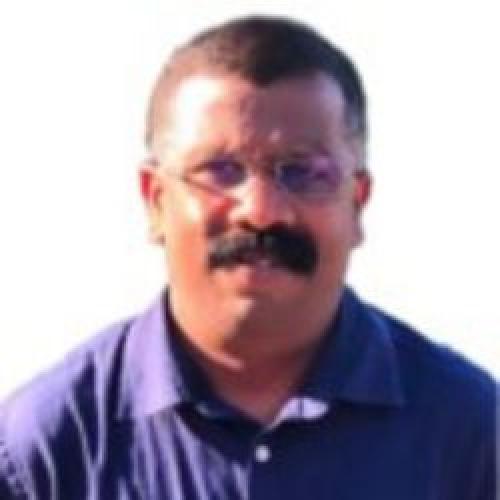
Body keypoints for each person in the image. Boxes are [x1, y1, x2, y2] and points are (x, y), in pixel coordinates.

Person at [0, 15, 495, 500]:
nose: (260, 211)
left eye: (304, 171)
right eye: (220, 170)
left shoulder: (470, 434)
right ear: (155, 200)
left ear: (357, 203)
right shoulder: (45, 454)